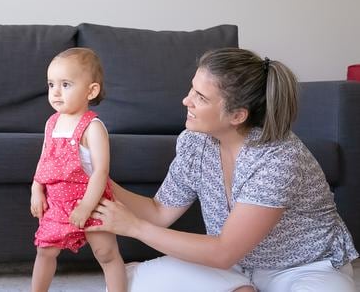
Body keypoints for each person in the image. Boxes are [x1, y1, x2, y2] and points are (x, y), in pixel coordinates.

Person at [86, 48, 359, 291]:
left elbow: (223, 251)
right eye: (192, 89)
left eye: (201, 97)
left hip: (302, 269)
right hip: (235, 268)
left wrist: (135, 228)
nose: (186, 100)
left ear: (237, 115)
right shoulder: (196, 143)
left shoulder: (277, 159)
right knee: (127, 283)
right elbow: (159, 212)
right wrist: (96, 181)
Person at [30, 48, 127, 292]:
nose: (56, 92)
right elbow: (44, 159)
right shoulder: (51, 122)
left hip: (91, 202)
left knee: (106, 253)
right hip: (57, 203)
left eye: (66, 84)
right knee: (45, 250)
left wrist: (86, 206)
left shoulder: (93, 127)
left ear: (90, 91)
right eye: (51, 84)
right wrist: (36, 188)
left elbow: (100, 173)